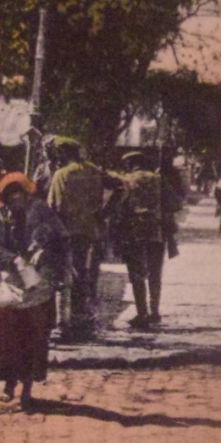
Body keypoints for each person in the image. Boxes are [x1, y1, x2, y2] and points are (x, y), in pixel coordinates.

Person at [0, 172, 67, 408]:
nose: (16, 200)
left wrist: (43, 252)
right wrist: (14, 260)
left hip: (35, 281)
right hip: (6, 279)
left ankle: (27, 389)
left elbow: (58, 237)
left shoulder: (40, 213)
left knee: (33, 335)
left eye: (20, 194)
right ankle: (8, 385)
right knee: (3, 336)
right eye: (11, 195)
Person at [110, 150, 179, 329]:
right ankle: (155, 312)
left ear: (131, 164)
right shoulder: (159, 180)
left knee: (137, 274)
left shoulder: (126, 181)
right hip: (157, 232)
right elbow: (175, 204)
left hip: (134, 233)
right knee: (155, 273)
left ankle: (142, 313)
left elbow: (115, 207)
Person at [46, 138, 106, 338]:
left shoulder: (61, 174)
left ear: (62, 153)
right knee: (83, 276)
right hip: (89, 231)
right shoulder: (94, 170)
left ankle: (63, 324)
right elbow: (120, 188)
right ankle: (83, 322)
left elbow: (53, 207)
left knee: (62, 278)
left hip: (66, 232)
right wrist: (104, 213)